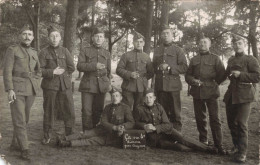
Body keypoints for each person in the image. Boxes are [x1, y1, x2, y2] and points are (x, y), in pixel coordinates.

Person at [3, 24, 41, 160]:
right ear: (20, 36)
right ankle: (25, 149)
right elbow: (7, 71)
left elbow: (39, 71)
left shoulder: (34, 52)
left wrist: (35, 81)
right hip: (17, 89)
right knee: (19, 119)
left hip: (30, 89)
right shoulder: (12, 50)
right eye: (24, 34)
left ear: (33, 37)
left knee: (25, 118)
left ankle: (15, 143)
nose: (27, 37)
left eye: (29, 34)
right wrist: (10, 89)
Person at [134, 88, 214, 153]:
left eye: (151, 97)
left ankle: (207, 149)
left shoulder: (159, 107)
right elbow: (135, 123)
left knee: (183, 138)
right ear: (144, 99)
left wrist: (156, 128)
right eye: (146, 97)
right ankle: (199, 148)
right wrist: (144, 126)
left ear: (154, 98)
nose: (149, 100)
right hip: (156, 139)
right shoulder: (139, 109)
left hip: (167, 131)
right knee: (182, 148)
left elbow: (168, 124)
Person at [185, 36, 226, 154]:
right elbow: (188, 75)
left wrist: (214, 83)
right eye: (200, 42)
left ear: (209, 45)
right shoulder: (194, 59)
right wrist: (193, 81)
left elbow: (222, 74)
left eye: (205, 42)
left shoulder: (216, 58)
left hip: (212, 93)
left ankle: (219, 144)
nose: (202, 44)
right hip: (197, 92)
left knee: (215, 118)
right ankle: (203, 142)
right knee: (200, 118)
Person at [223, 35, 260, 163]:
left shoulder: (251, 59)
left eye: (239, 43)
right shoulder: (231, 60)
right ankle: (236, 146)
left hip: (244, 96)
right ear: (233, 46)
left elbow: (257, 77)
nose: (237, 45)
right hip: (231, 96)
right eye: (235, 44)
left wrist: (241, 75)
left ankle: (242, 153)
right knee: (231, 123)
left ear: (243, 45)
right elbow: (224, 74)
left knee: (241, 124)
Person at [56, 87, 134, 148]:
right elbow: (103, 121)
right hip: (102, 129)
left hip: (113, 136)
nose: (114, 98)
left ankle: (67, 143)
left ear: (121, 98)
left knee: (91, 141)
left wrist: (122, 127)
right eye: (113, 96)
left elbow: (131, 122)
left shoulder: (126, 108)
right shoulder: (107, 107)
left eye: (117, 96)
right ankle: (65, 138)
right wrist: (114, 127)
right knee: (85, 134)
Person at [39, 25, 75, 144]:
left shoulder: (65, 51)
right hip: (50, 86)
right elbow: (39, 70)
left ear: (60, 38)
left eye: (57, 36)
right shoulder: (43, 52)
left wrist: (63, 75)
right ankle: (47, 135)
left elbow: (71, 67)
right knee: (49, 111)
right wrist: (53, 72)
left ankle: (69, 134)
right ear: (48, 38)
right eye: (52, 36)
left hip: (65, 86)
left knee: (68, 109)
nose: (54, 38)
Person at [153, 25, 188, 132]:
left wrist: (169, 68)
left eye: (168, 33)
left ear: (173, 36)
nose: (165, 35)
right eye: (163, 34)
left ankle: (177, 135)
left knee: (175, 113)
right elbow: (153, 67)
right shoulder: (157, 50)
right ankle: (164, 135)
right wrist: (157, 67)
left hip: (173, 87)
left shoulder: (178, 50)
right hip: (160, 86)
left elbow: (184, 67)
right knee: (162, 112)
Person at [77, 27, 111, 131]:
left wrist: (108, 83)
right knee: (87, 110)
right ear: (92, 38)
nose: (99, 38)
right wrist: (94, 65)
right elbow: (79, 66)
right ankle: (87, 132)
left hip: (102, 86)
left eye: (101, 36)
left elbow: (108, 71)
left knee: (98, 110)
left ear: (104, 39)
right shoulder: (85, 50)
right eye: (96, 36)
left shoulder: (107, 53)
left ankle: (94, 131)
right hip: (88, 84)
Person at [116, 32, 154, 114]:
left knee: (139, 108)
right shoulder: (126, 55)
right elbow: (118, 69)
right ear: (133, 42)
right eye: (137, 41)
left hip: (141, 88)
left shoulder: (146, 57)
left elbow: (151, 72)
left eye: (141, 42)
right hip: (128, 86)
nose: (139, 44)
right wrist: (130, 74)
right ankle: (127, 123)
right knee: (126, 107)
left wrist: (143, 79)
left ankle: (136, 124)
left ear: (143, 43)